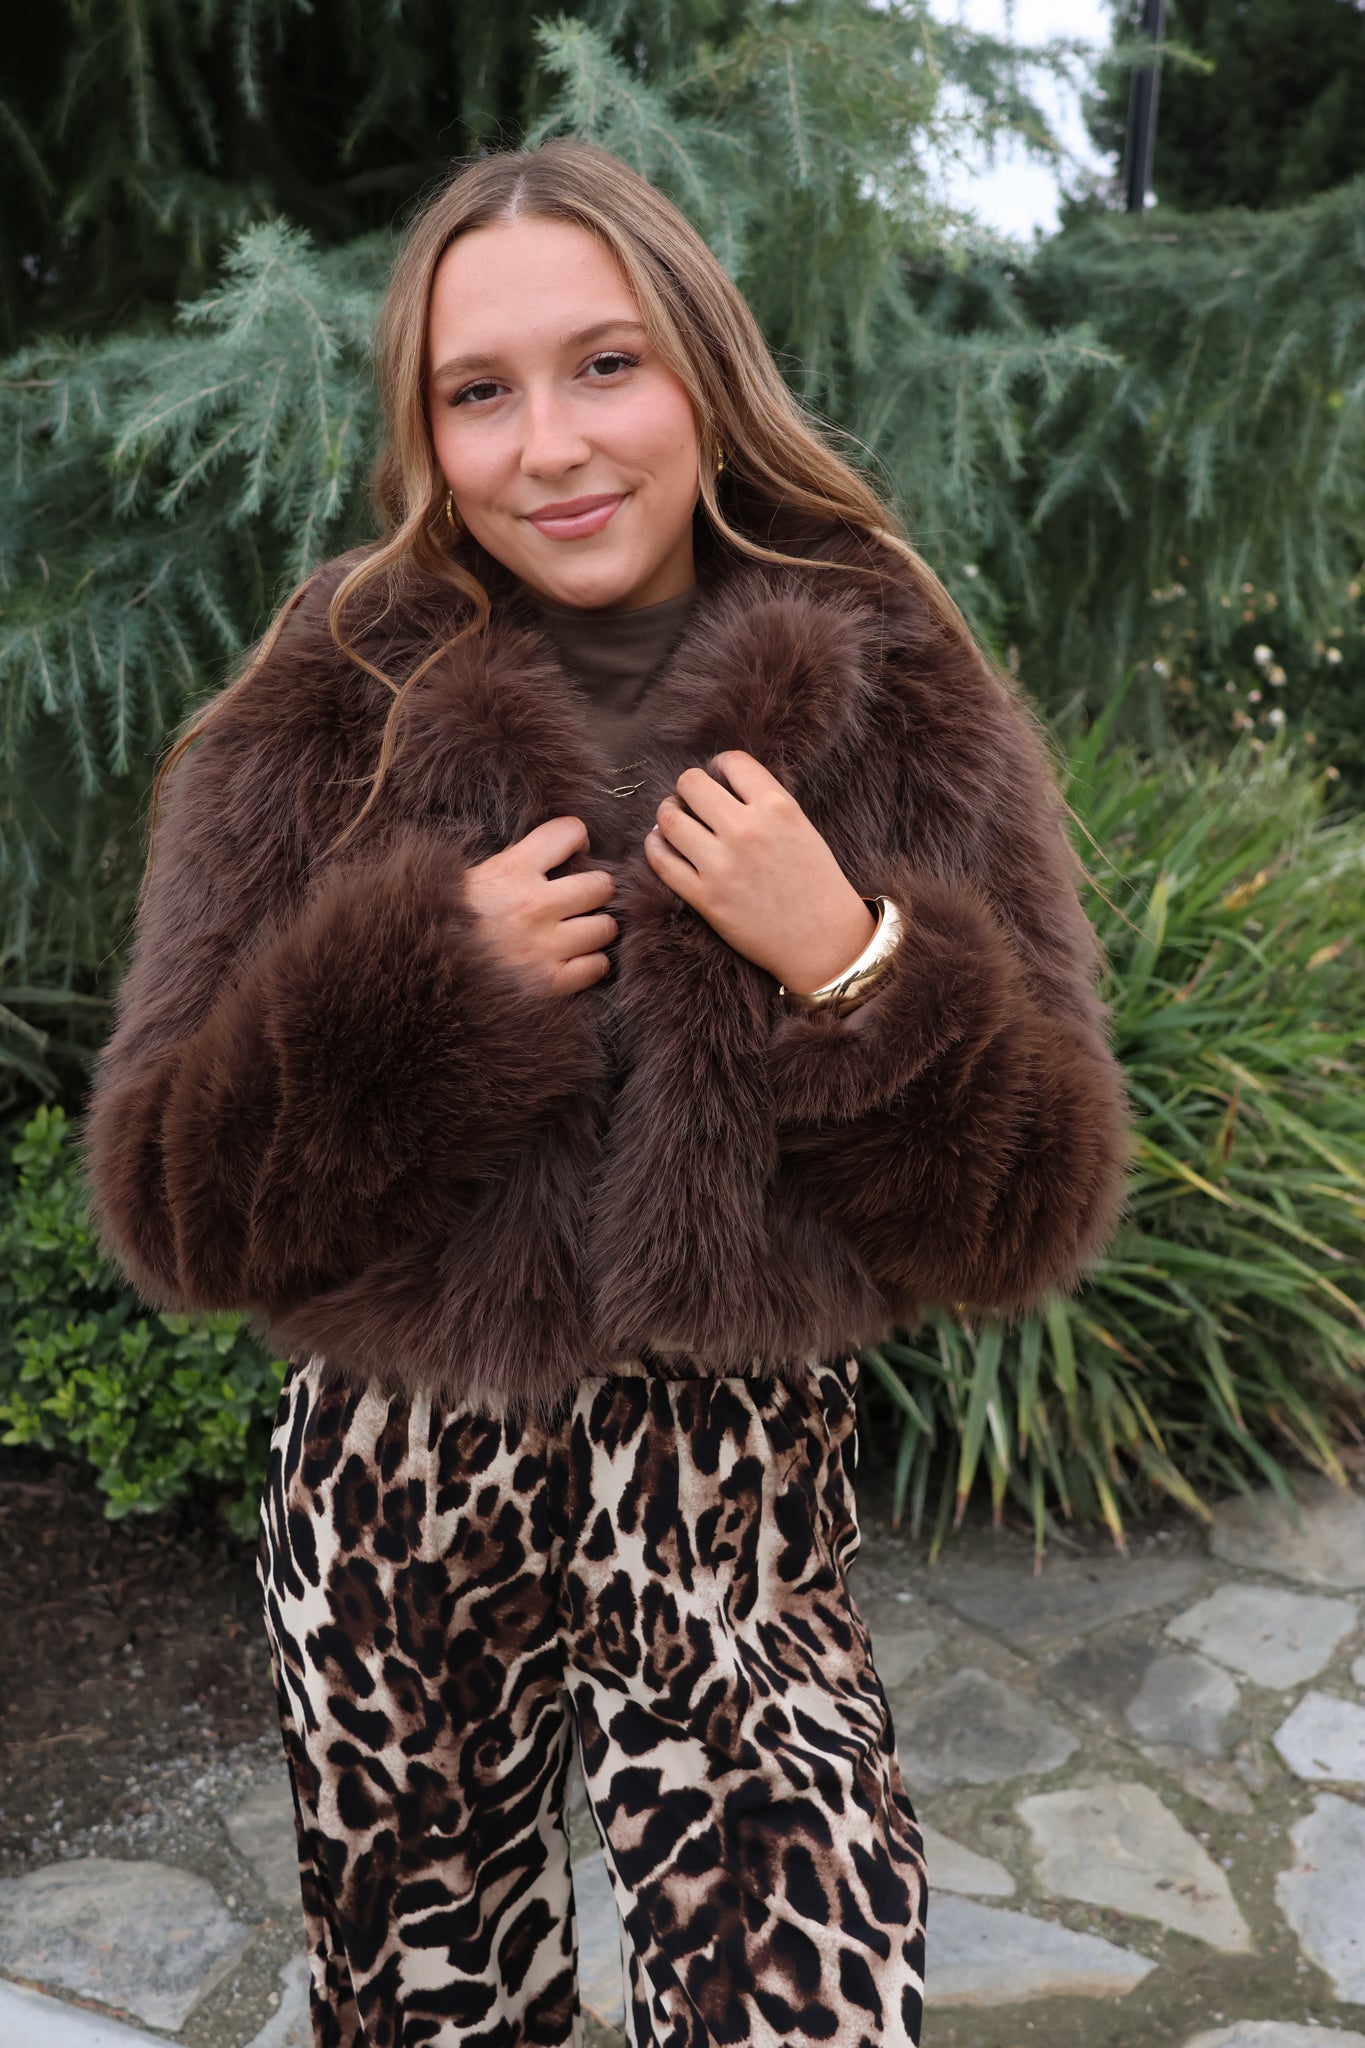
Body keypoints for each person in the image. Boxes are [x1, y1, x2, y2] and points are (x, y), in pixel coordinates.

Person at [79, 135, 1133, 2048]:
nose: (549, 445)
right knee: (430, 2015)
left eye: (605, 365)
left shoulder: (897, 691)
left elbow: (1029, 1215)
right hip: (397, 1490)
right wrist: (422, 994)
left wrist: (853, 965)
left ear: (703, 375)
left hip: (737, 1505)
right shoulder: (325, 704)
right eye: (477, 392)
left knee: (809, 2011)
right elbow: (174, 1209)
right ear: (424, 435)